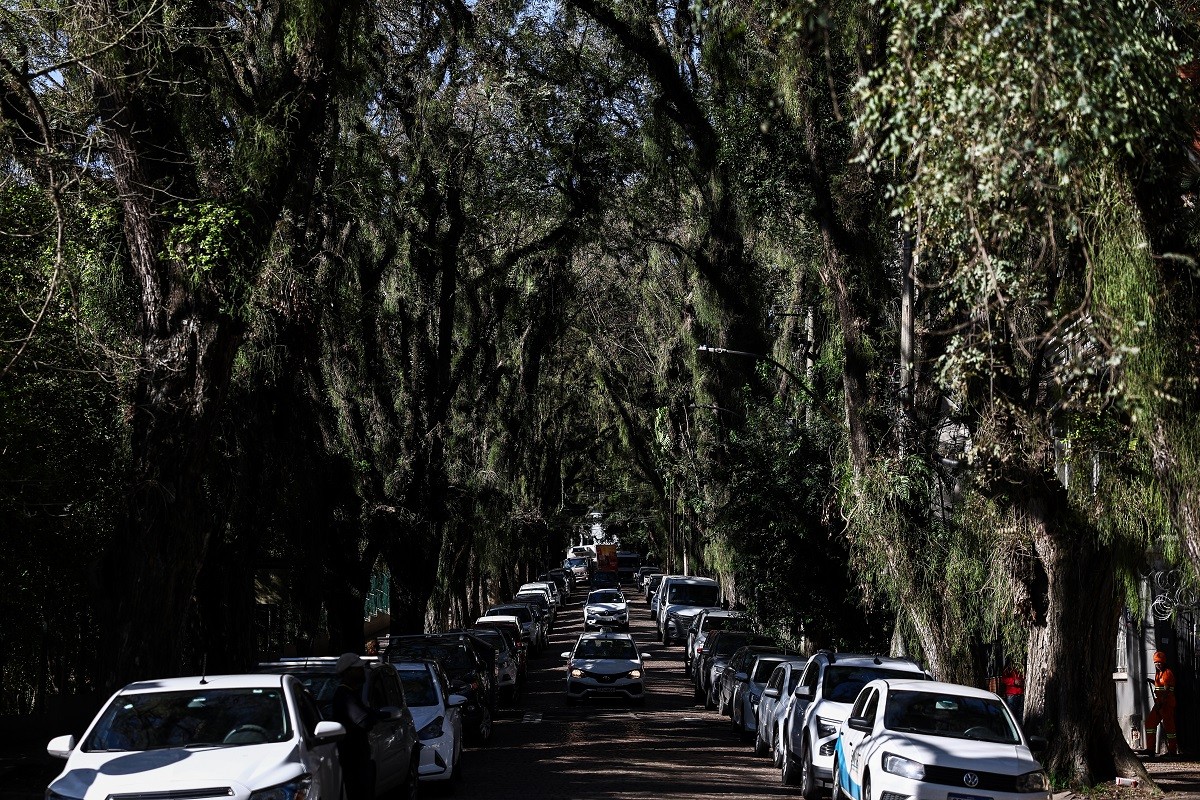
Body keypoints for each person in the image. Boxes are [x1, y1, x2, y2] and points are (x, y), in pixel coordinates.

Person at [331, 653, 384, 800]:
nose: (362, 671)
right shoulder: (345, 695)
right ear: (348, 672)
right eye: (358, 668)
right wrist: (374, 716)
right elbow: (364, 721)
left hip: (358, 759)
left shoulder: (352, 694)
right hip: (352, 761)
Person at [1144, 650, 1177, 756]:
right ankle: (1150, 749)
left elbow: (1167, 691)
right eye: (1155, 662)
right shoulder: (1158, 674)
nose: (1157, 664)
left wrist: (1161, 703)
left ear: (1163, 662)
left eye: (1159, 662)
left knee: (1169, 727)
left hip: (1166, 704)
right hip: (1159, 703)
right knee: (1150, 723)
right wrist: (1152, 681)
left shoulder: (1167, 673)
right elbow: (1160, 686)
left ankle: (1172, 751)